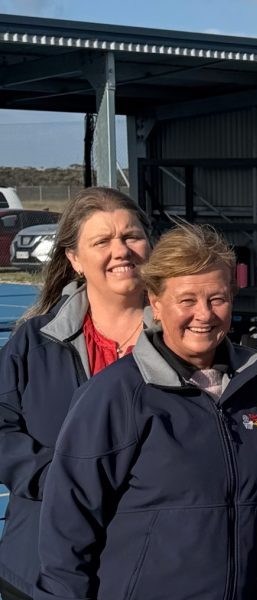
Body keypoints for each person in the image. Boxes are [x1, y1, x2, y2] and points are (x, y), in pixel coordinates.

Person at [36, 224, 257, 600]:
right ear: (156, 301)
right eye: (187, 300)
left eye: (217, 298)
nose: (204, 314)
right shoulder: (115, 395)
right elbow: (68, 526)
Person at [0, 187, 152, 600]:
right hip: (40, 569)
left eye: (131, 236)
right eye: (102, 241)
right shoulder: (34, 342)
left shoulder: (187, 341)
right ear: (74, 259)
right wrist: (58, 480)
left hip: (147, 567)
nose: (120, 250)